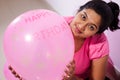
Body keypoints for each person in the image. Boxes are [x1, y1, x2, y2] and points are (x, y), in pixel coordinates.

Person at [62, 0, 120, 80]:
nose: (81, 26)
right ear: (78, 11)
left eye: (91, 27)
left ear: (96, 33)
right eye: (83, 17)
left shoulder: (99, 43)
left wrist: (72, 78)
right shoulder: (58, 25)